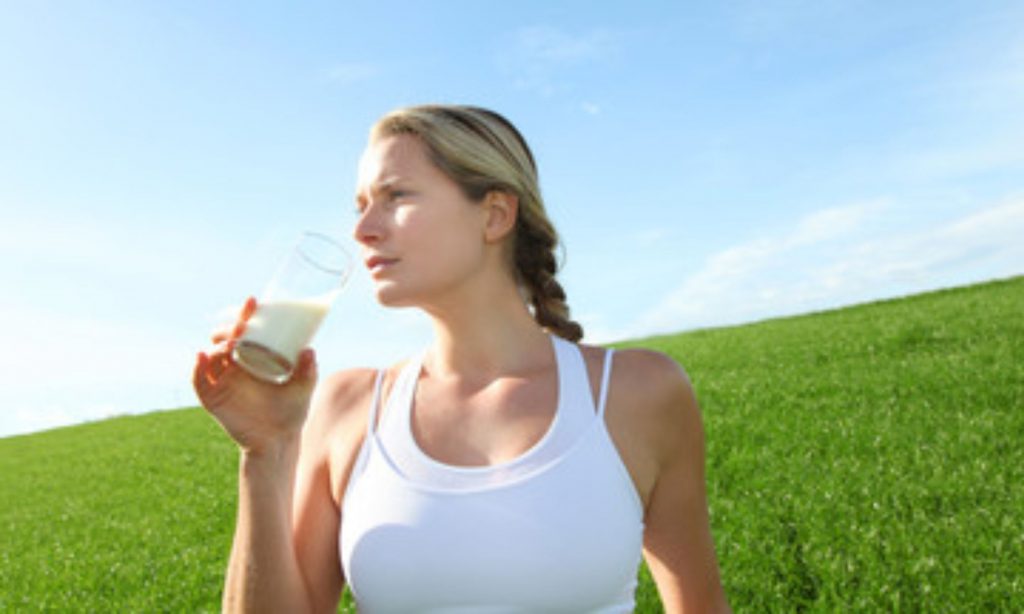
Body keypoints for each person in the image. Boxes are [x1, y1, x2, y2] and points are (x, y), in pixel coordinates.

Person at [193, 104, 730, 613]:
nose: (363, 230)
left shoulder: (638, 394)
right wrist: (264, 452)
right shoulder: (346, 408)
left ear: (495, 215)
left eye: (396, 196)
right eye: (360, 206)